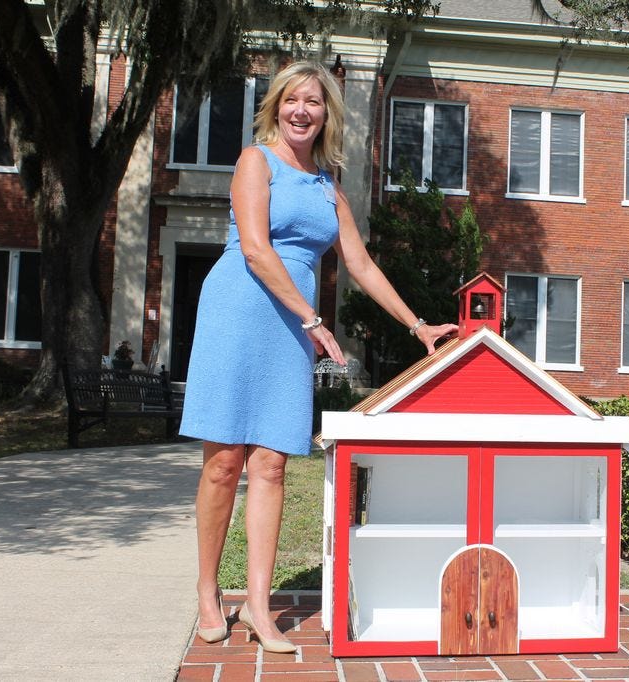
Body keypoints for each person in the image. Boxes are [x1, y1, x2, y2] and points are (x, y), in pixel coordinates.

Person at [178, 61, 457, 650]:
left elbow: (361, 264)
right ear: (276, 107)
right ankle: (207, 591)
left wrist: (417, 326)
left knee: (272, 464)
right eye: (292, 99)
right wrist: (313, 320)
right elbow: (256, 249)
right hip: (238, 312)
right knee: (224, 461)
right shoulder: (256, 162)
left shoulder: (327, 187)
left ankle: (258, 606)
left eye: (313, 101)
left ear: (327, 114)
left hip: (291, 326)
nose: (301, 111)